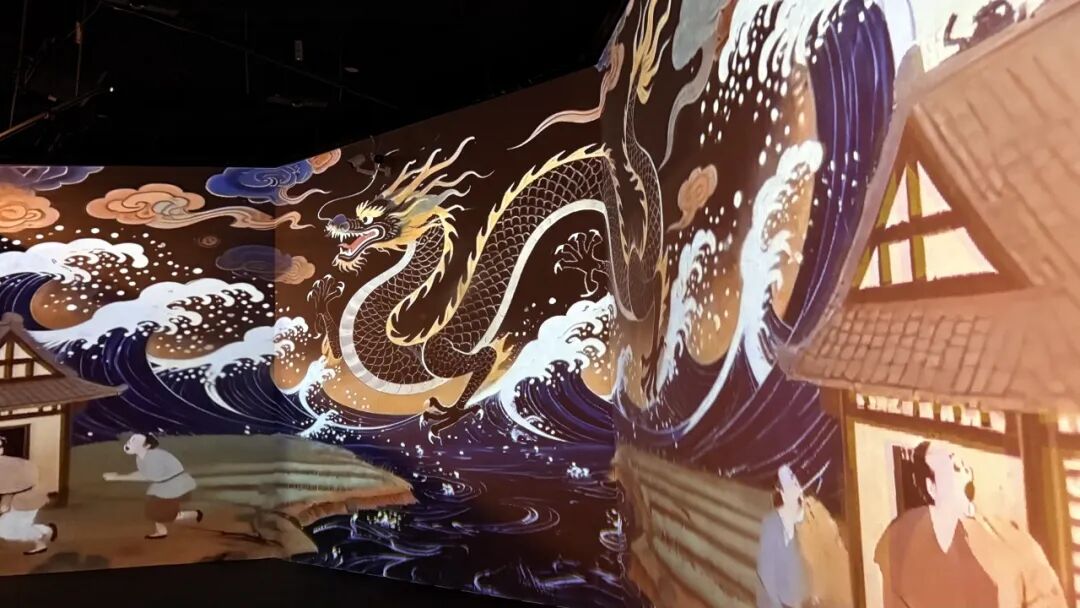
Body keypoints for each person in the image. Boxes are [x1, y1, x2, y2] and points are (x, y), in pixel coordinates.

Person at [874, 440, 1066, 608]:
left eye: (952, 453)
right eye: (941, 456)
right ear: (931, 487)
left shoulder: (1006, 533)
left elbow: (1047, 596)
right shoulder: (905, 542)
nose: (952, 454)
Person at [103, 433, 202, 539]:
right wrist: (119, 477)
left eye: (135, 442)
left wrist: (118, 477)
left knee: (160, 512)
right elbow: (144, 474)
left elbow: (148, 476)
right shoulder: (142, 457)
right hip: (166, 485)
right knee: (156, 510)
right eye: (131, 441)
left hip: (175, 485)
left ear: (147, 446)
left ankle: (189, 517)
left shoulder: (153, 456)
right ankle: (170, 526)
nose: (129, 444)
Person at [757, 464, 808, 608]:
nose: (797, 494)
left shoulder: (805, 523)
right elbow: (766, 571)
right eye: (792, 490)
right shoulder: (771, 524)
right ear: (783, 496)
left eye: (797, 488)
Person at [0, 436, 57, 555]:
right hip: (23, 500)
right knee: (16, 527)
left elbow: (15, 486)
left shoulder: (10, 464)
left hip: (26, 501)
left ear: (2, 449)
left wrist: (6, 501)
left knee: (5, 531)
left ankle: (45, 532)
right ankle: (43, 536)